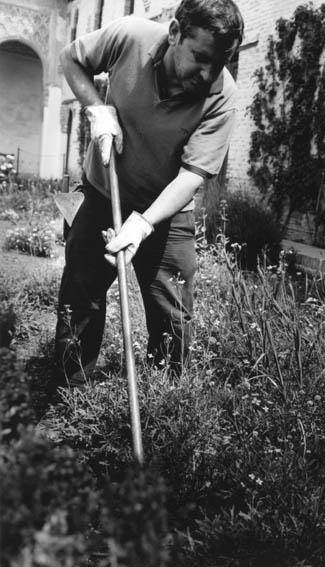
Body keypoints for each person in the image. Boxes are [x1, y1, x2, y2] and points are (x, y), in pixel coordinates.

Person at [54, 0, 244, 386]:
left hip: (167, 212)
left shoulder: (222, 95)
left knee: (172, 311)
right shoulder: (131, 36)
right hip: (103, 192)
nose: (208, 73)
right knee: (82, 289)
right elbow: (71, 59)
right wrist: (96, 109)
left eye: (220, 62)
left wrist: (142, 225)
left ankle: (166, 393)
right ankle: (72, 382)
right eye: (201, 57)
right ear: (174, 33)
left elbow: (192, 175)